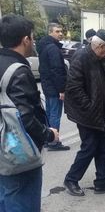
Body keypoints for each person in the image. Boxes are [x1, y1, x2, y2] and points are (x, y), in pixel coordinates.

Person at [0, 14, 60, 212]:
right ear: (25, 39)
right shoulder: (18, 71)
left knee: (4, 210)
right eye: (32, 37)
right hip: (18, 153)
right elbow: (26, 116)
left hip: (1, 149)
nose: (33, 41)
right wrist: (48, 134)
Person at [63, 30, 105, 196]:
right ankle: (71, 179)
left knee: (104, 147)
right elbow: (74, 88)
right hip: (87, 114)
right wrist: (89, 107)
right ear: (101, 46)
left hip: (100, 112)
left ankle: (102, 182)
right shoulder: (82, 57)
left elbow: (97, 83)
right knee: (89, 147)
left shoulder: (98, 59)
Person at [38, 22, 70, 151]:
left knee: (50, 113)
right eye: (57, 31)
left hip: (47, 86)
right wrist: (62, 89)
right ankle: (54, 142)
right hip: (54, 87)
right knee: (55, 115)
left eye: (61, 31)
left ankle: (48, 139)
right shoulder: (52, 48)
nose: (60, 33)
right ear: (50, 32)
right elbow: (57, 70)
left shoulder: (44, 46)